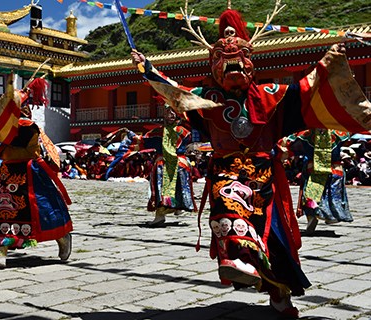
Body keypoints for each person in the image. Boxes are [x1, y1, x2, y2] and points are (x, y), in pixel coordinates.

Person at [130, 2, 371, 316]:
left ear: (249, 60)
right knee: (226, 215)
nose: (232, 65)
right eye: (223, 57)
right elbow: (173, 91)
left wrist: (329, 60)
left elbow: (305, 90)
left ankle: (279, 293)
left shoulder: (271, 94)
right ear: (213, 61)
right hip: (224, 173)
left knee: (276, 242)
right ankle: (240, 262)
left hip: (263, 177)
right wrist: (146, 66)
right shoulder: (205, 98)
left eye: (238, 57)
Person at [0, 75, 73, 268]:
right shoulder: (2, 129)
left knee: (43, 211)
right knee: (4, 211)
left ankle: (62, 236)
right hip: (8, 174)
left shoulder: (29, 127)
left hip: (30, 174)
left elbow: (29, 151)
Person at [287, 129, 353, 233]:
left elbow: (293, 147)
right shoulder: (340, 132)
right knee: (331, 195)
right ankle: (331, 215)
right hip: (334, 168)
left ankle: (312, 216)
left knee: (311, 195)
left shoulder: (306, 133)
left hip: (313, 168)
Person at [147, 107, 196, 226]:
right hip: (163, 162)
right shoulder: (158, 131)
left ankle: (178, 207)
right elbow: (146, 141)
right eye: (168, 112)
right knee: (160, 189)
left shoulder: (183, 131)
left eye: (174, 112)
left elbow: (186, 145)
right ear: (164, 114)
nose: (171, 114)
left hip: (179, 163)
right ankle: (160, 215)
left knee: (179, 188)